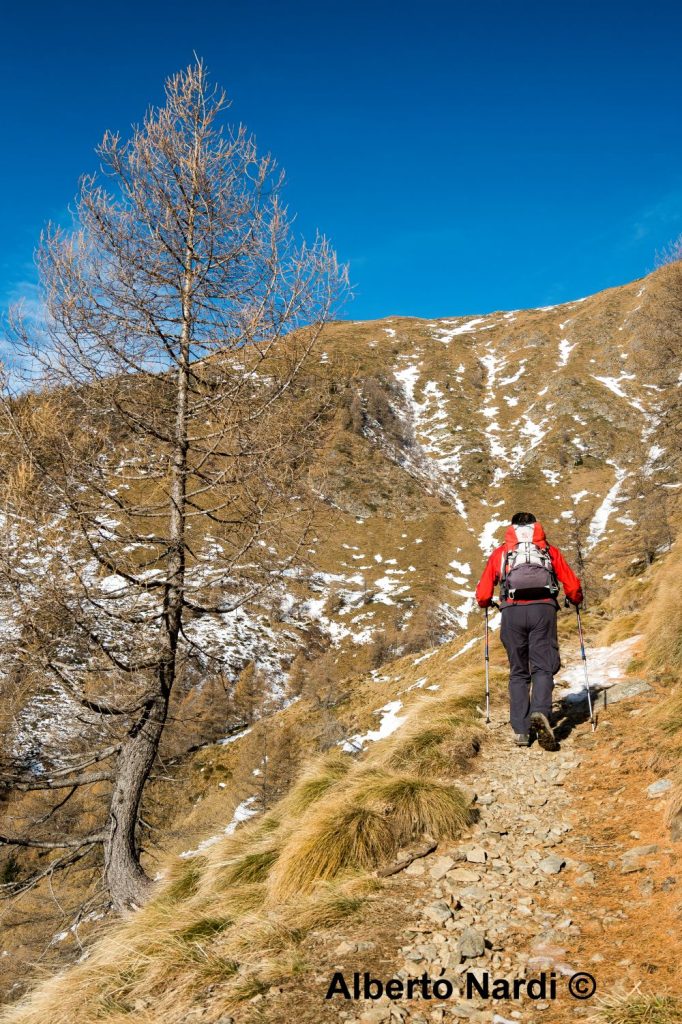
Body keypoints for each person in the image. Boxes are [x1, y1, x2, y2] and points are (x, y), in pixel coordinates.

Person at [475, 512, 583, 750]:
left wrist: (486, 603)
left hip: (512, 612)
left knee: (518, 672)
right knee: (542, 667)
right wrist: (575, 599)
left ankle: (521, 731)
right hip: (543, 610)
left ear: (511, 528)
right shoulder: (548, 551)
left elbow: (483, 594)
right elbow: (573, 586)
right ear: (537, 527)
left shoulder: (502, 552)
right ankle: (540, 712)